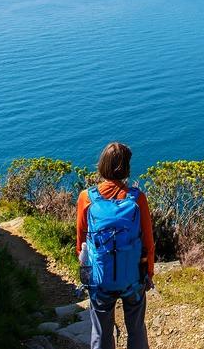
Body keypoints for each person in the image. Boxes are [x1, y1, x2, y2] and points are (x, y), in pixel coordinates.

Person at [76, 142, 155, 349]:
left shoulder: (87, 198)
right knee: (136, 329)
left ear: (102, 164)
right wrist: (148, 273)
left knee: (101, 333)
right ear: (126, 168)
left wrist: (88, 269)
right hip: (133, 280)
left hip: (100, 280)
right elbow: (148, 242)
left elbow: (81, 241)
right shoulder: (137, 199)